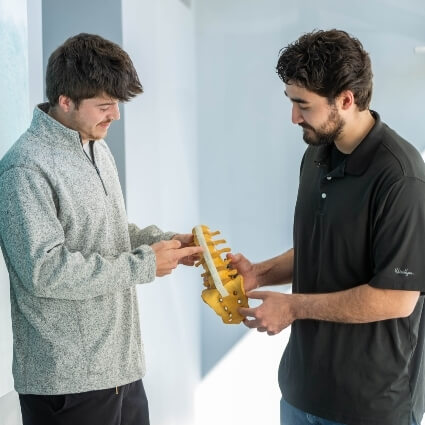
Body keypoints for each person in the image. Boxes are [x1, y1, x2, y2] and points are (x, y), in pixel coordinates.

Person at [0, 33, 202, 425]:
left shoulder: (94, 144)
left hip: (120, 371)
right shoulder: (25, 168)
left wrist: (165, 242)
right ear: (65, 101)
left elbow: (106, 231)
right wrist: (143, 265)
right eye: (105, 106)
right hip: (67, 383)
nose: (116, 116)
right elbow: (44, 270)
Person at [229, 29, 425, 425]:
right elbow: (327, 247)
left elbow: (397, 298)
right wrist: (260, 273)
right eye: (291, 102)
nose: (293, 116)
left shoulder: (401, 178)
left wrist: (293, 307)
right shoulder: (317, 155)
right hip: (301, 394)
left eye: (303, 105)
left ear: (346, 100)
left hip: (369, 407)